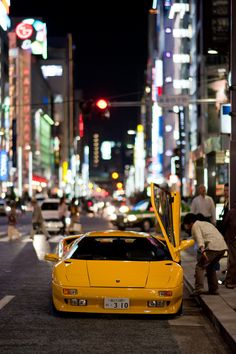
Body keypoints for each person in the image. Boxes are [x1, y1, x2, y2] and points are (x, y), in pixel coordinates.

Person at [183, 213, 227, 295]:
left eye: (186, 224)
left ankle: (199, 288)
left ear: (190, 222)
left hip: (213, 247)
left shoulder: (195, 226)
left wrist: (202, 249)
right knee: (210, 267)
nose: (186, 227)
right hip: (222, 247)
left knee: (199, 266)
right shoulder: (205, 223)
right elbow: (195, 237)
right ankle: (213, 289)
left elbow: (199, 238)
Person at [222, 201, 236, 289]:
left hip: (232, 238)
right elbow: (224, 225)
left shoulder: (231, 212)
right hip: (232, 239)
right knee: (233, 260)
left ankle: (230, 281)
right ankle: (229, 281)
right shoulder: (232, 213)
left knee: (233, 260)